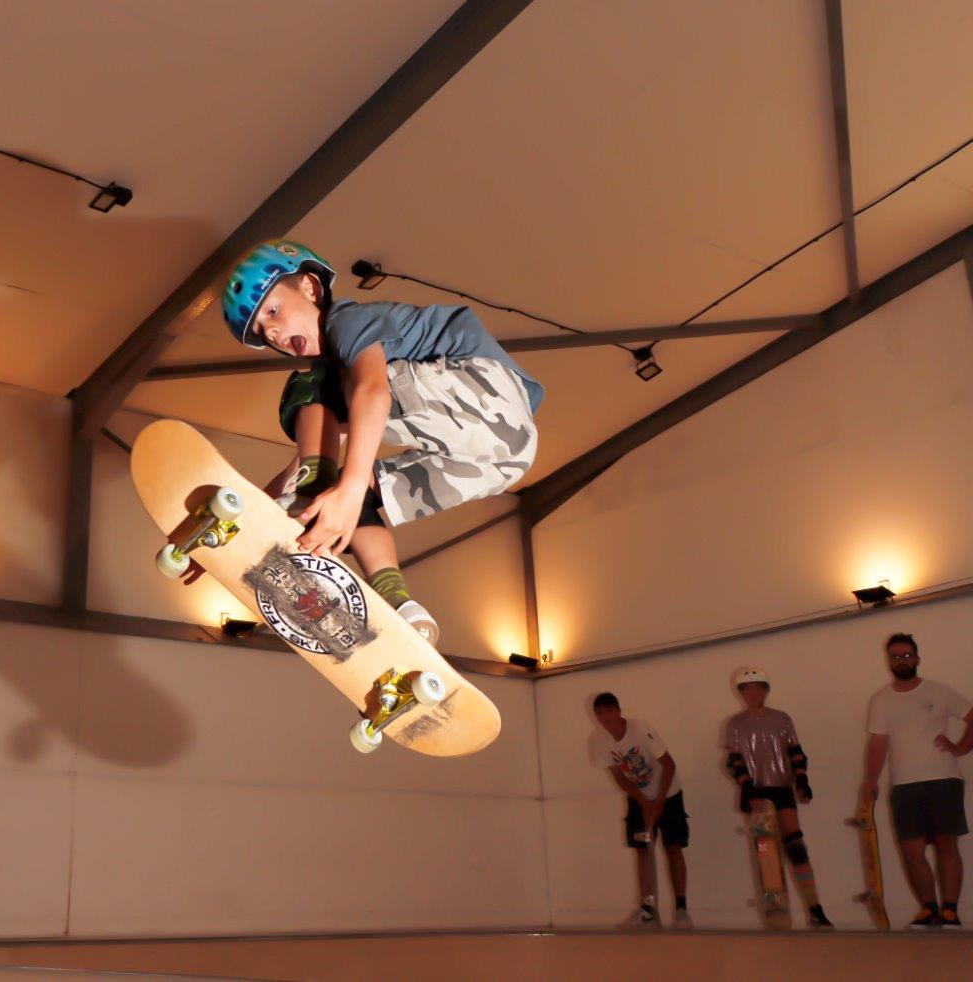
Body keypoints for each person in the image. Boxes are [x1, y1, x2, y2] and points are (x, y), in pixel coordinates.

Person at [220, 240, 543, 646]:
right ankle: (399, 603)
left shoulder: (348, 321)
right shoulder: (342, 380)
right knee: (349, 487)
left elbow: (373, 392)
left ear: (310, 288)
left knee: (313, 387)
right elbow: (309, 454)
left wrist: (347, 487)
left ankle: (327, 489)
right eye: (267, 334)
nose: (277, 334)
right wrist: (255, 515)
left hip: (481, 388)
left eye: (274, 312)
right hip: (506, 458)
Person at [863, 632, 973, 929]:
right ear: (889, 661)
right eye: (896, 656)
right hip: (904, 786)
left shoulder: (939, 692)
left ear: (917, 658)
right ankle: (929, 909)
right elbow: (877, 745)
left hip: (943, 779)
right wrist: (870, 780)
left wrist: (961, 747)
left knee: (945, 845)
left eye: (907, 655)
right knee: (911, 851)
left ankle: (950, 910)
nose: (902, 660)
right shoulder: (881, 701)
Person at [724, 668, 833, 929]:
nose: (753, 693)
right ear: (741, 693)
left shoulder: (782, 719)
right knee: (767, 852)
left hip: (781, 788)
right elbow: (734, 760)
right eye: (747, 689)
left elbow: (795, 751)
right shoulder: (735, 723)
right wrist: (748, 788)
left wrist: (802, 780)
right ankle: (775, 908)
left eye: (758, 687)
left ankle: (815, 907)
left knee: (795, 846)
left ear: (765, 690)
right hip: (755, 790)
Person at [587, 692, 691, 929]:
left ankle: (682, 910)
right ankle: (647, 911)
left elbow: (669, 764)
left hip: (669, 793)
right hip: (640, 797)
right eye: (600, 713)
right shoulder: (598, 740)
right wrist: (643, 802)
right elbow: (618, 777)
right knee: (642, 849)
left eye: (609, 711)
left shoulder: (640, 729)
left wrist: (659, 802)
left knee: (673, 848)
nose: (606, 717)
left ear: (619, 711)